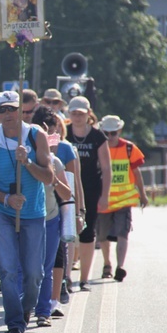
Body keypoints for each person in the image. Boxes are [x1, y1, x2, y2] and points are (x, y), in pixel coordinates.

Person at [0, 91, 53, 333]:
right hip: (2, 212)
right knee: (8, 271)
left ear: (20, 110)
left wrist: (29, 162)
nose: (8, 114)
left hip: (32, 212)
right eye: (2, 110)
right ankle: (13, 323)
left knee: (34, 274)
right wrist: (6, 199)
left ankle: (25, 310)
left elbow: (49, 177)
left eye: (12, 109)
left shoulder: (35, 136)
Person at [30, 108, 72, 326]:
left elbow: (67, 194)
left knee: (46, 269)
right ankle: (24, 308)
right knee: (28, 268)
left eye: (52, 137)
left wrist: (53, 179)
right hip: (28, 219)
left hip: (51, 218)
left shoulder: (55, 162)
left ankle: (43, 312)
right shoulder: (24, 158)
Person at [66, 96, 111, 291]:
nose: (77, 117)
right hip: (67, 188)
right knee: (66, 233)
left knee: (87, 232)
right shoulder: (64, 133)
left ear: (88, 114)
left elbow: (107, 168)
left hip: (91, 190)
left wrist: (105, 195)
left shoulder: (97, 137)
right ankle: (65, 277)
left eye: (81, 114)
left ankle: (84, 279)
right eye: (74, 113)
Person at [96, 115, 148, 282]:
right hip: (103, 200)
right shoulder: (98, 147)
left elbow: (136, 172)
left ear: (119, 131)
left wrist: (143, 194)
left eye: (113, 133)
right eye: (106, 133)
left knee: (122, 234)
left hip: (124, 201)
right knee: (102, 235)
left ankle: (120, 267)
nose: (110, 137)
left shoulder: (129, 148)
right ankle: (107, 264)